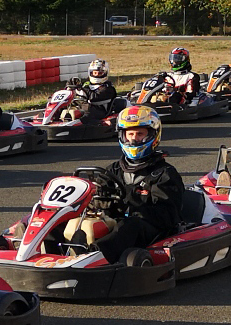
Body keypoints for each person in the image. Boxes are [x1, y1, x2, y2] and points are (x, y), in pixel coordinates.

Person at [75, 105, 190, 263]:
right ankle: (51, 249)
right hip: (115, 222)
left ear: (153, 136)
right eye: (129, 134)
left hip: (150, 230)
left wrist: (129, 207)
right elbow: (99, 194)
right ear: (122, 136)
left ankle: (96, 256)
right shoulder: (113, 170)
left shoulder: (164, 173)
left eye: (139, 134)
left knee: (130, 224)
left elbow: (168, 215)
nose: (134, 139)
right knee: (77, 219)